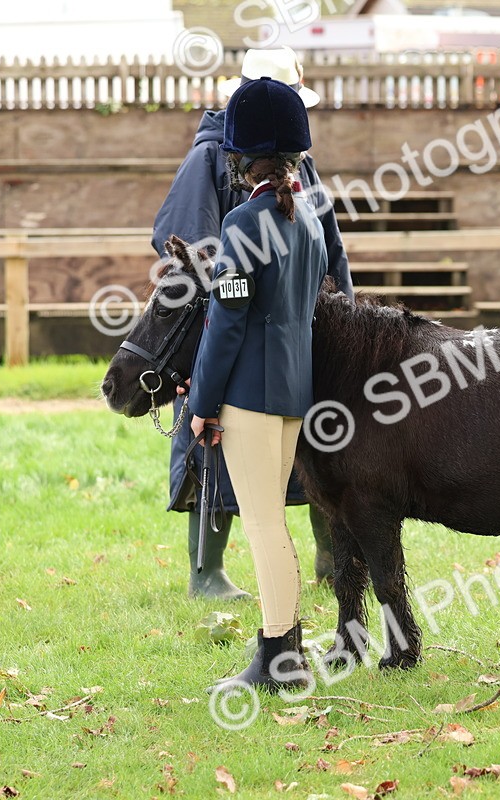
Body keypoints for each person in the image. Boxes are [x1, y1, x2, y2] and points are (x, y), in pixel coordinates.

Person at [151, 47, 353, 600]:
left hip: (277, 334)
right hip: (228, 327)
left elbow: (330, 258)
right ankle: (208, 572)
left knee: (297, 467)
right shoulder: (210, 160)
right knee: (215, 456)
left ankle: (313, 586)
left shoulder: (291, 167)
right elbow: (188, 252)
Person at [189, 78, 326, 693]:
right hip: (294, 394)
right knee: (275, 522)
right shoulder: (313, 222)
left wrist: (201, 403)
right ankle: (284, 644)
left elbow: (225, 323)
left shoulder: (244, 223)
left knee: (264, 524)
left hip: (247, 396)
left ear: (243, 160)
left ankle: (277, 659)